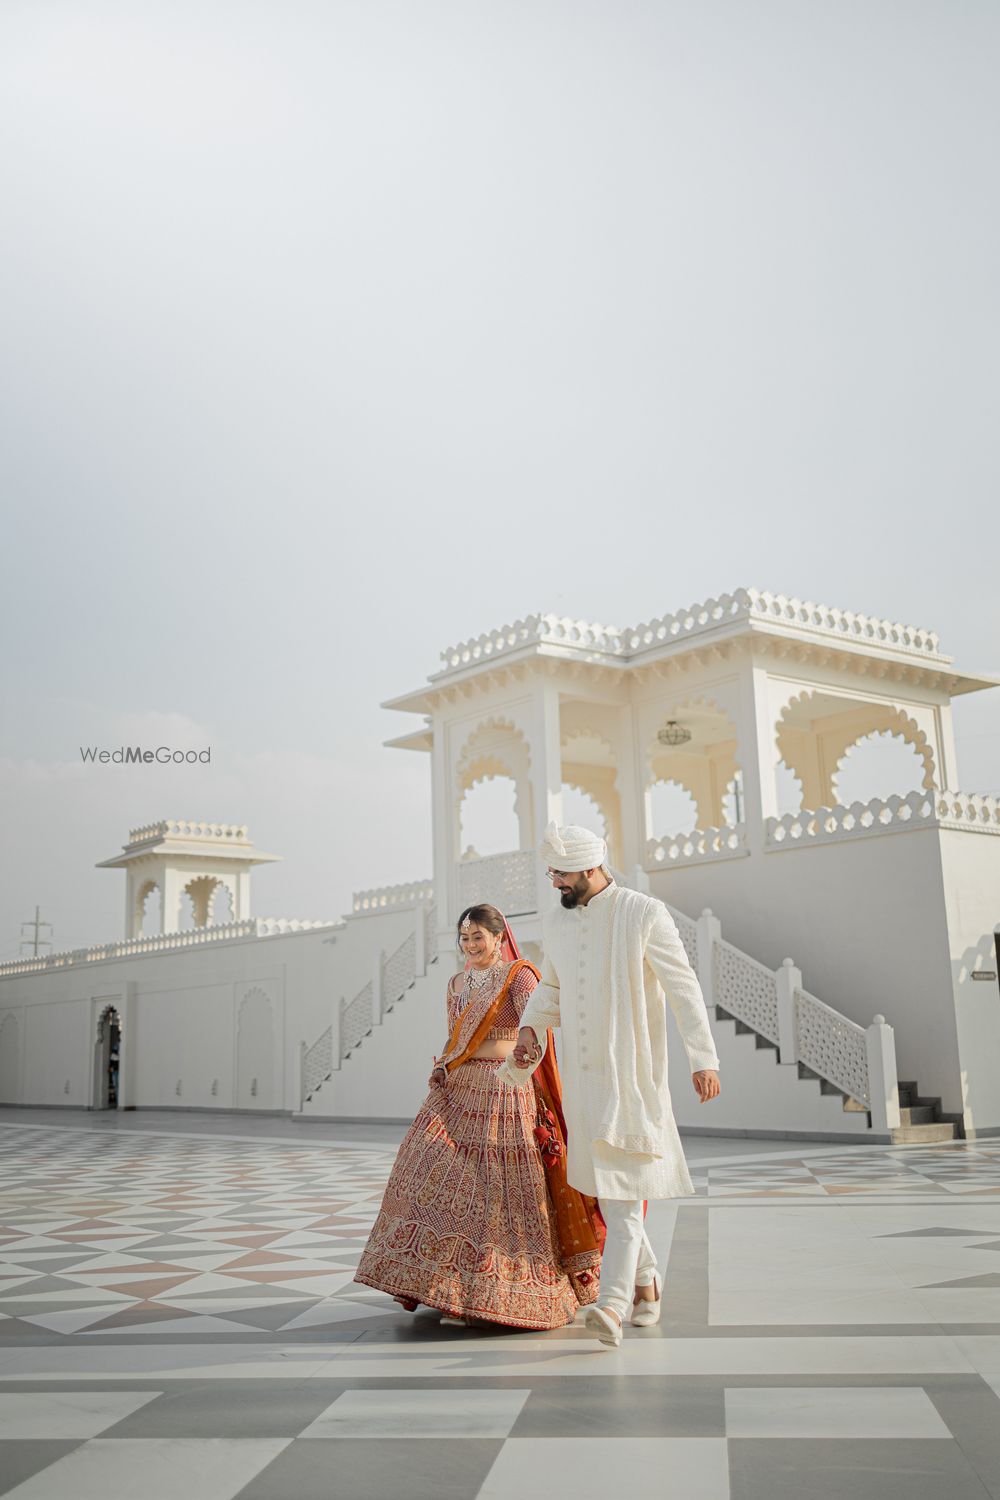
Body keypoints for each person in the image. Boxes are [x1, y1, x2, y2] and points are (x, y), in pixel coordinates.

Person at [499, 823, 721, 1347]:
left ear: (590, 867)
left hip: (632, 1078)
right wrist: (531, 1028)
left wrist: (703, 1058)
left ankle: (613, 1304)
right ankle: (646, 1285)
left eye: (560, 873)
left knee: (622, 1197)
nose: (554, 882)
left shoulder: (644, 913)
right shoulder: (558, 920)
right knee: (607, 1191)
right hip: (583, 1080)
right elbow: (551, 986)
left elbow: (683, 988)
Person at [354, 902, 604, 1329]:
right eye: (464, 938)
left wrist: (524, 1070)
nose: (471, 946)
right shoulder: (455, 983)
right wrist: (444, 1065)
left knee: (495, 1191)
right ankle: (444, 1286)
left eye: (478, 938)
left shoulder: (520, 976)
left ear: (499, 937)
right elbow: (456, 1036)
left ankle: (498, 1293)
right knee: (427, 1167)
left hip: (506, 1089)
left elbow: (540, 1023)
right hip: (459, 1089)